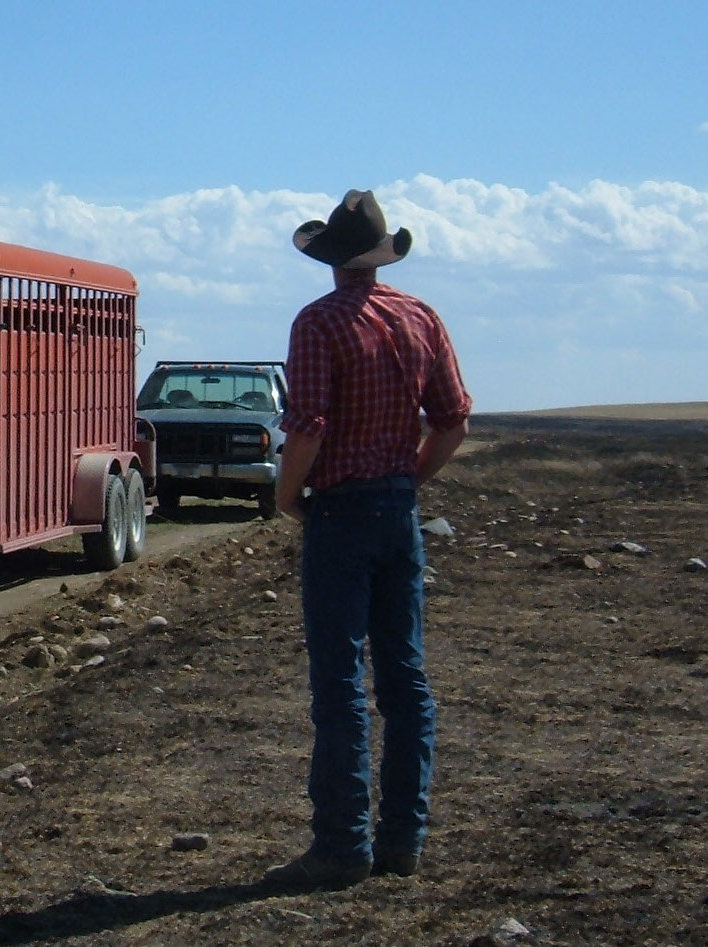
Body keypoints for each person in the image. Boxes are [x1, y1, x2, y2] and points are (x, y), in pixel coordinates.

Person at [264, 189, 472, 888]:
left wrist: (287, 494)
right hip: (396, 507)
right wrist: (407, 481)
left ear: (329, 260)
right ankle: (402, 840)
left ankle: (341, 844)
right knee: (406, 680)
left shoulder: (318, 322)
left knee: (341, 682)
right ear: (380, 257)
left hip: (341, 510)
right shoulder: (420, 316)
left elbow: (309, 425)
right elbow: (452, 422)